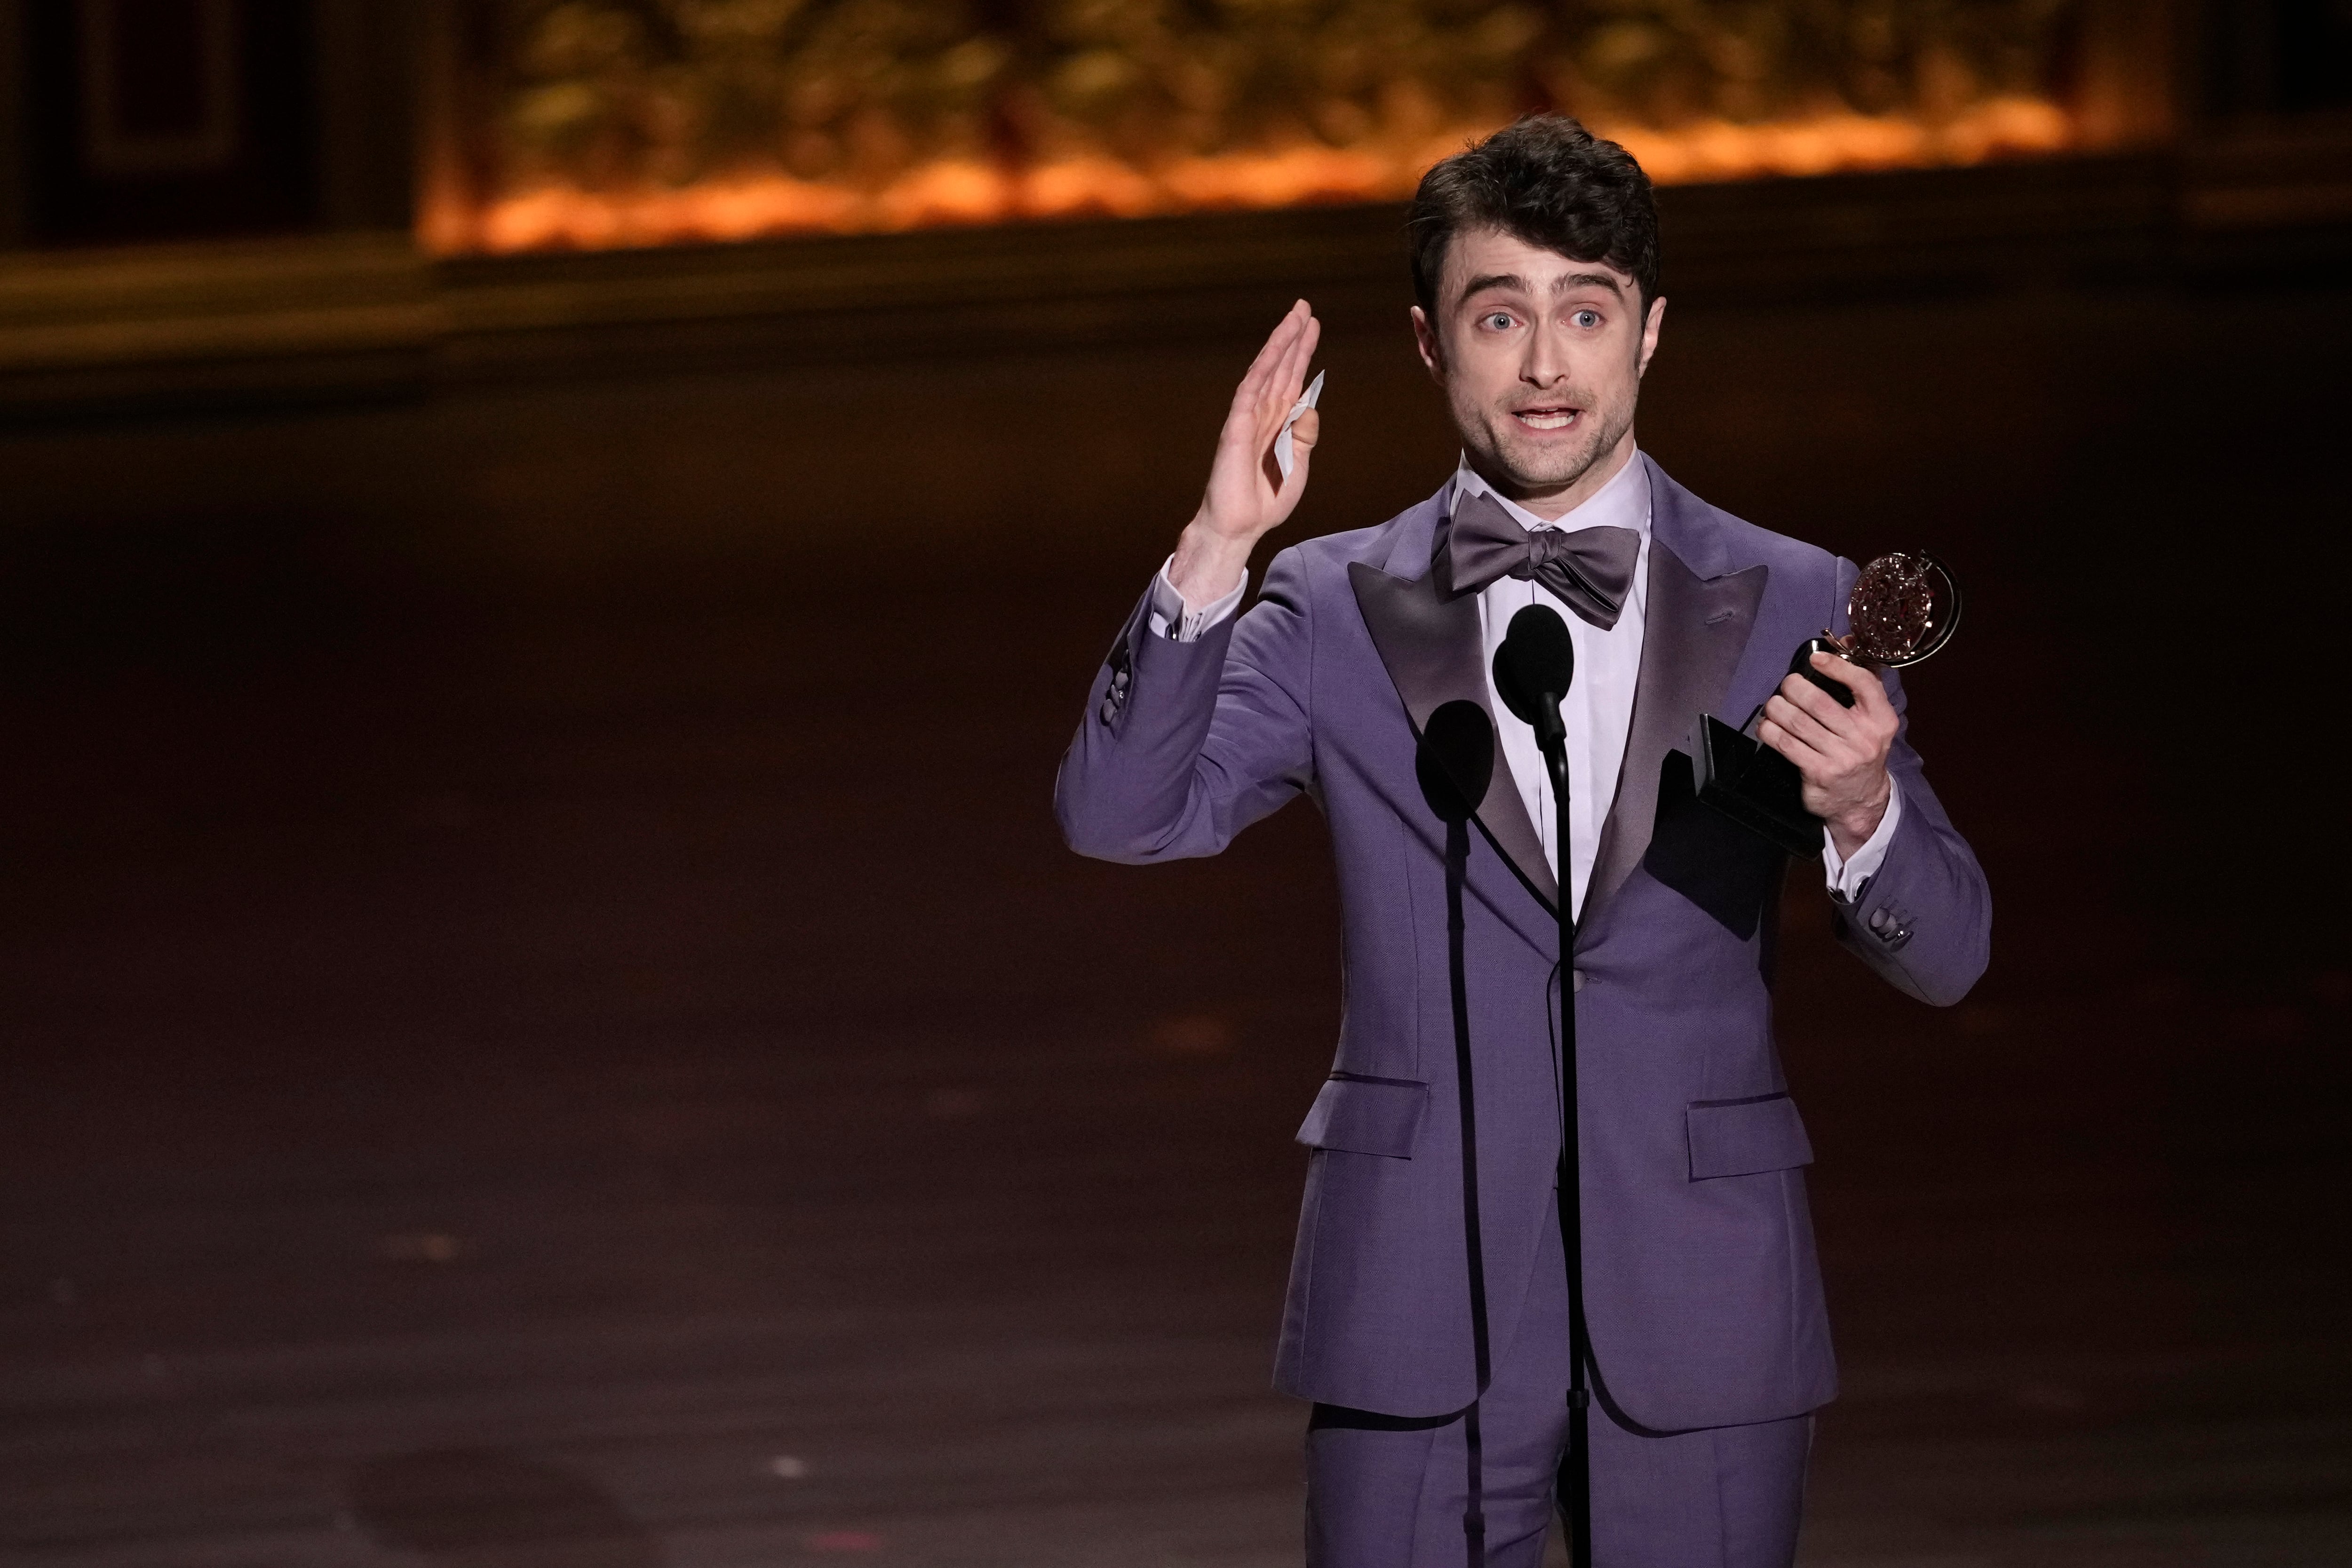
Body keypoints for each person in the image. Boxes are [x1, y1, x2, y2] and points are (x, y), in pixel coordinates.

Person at [1055, 115, 1990, 1568]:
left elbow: (1953, 956)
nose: (1546, 366)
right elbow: (1120, 818)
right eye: (1500, 317)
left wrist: (1866, 811)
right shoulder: (1326, 602)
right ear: (1431, 347)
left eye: (1586, 313)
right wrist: (1214, 552)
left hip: (1700, 1303)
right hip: (1417, 1299)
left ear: (1651, 333)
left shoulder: (1797, 596)